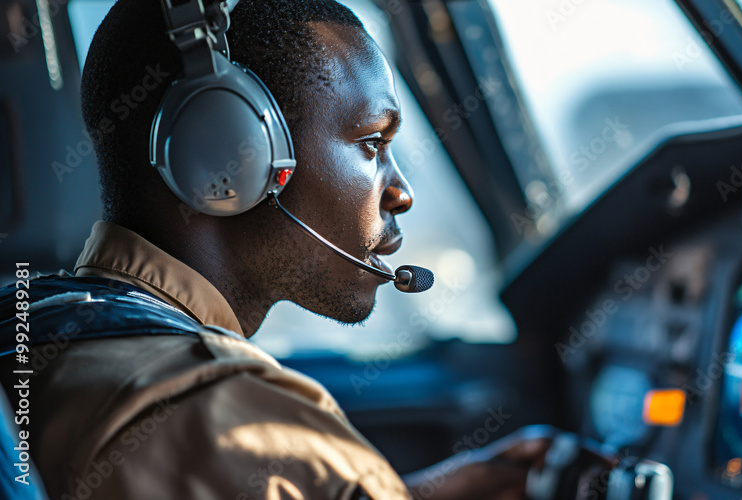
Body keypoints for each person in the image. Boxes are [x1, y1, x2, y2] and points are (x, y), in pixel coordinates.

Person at [0, 0, 554, 498]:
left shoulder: (37, 326)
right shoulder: (243, 416)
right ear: (226, 156)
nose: (401, 192)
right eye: (372, 144)